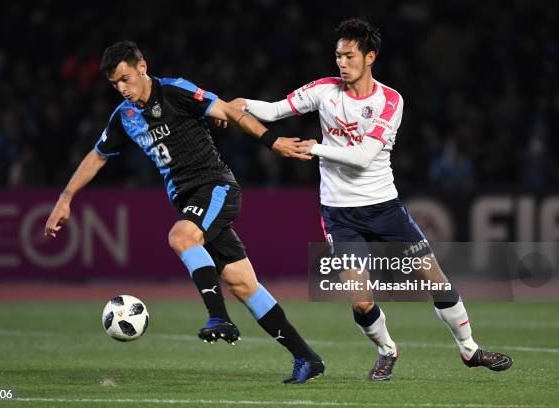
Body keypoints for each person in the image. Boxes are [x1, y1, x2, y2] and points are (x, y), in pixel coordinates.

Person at [230, 18, 513, 381]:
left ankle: (470, 349)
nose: (341, 63)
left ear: (370, 57)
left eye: (349, 56)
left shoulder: (390, 100)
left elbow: (364, 156)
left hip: (385, 208)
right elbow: (273, 110)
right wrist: (235, 104)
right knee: (361, 299)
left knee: (436, 281)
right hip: (339, 213)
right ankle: (386, 350)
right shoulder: (324, 90)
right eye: (338, 56)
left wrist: (313, 147)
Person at [44, 41, 324, 384]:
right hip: (191, 200)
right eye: (115, 84)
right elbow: (98, 155)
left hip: (216, 187)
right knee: (243, 283)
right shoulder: (125, 117)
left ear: (142, 67)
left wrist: (273, 141)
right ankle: (306, 358)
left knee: (180, 236)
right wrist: (66, 197)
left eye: (125, 79)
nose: (122, 89)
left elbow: (231, 112)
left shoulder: (175, 91)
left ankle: (218, 317)